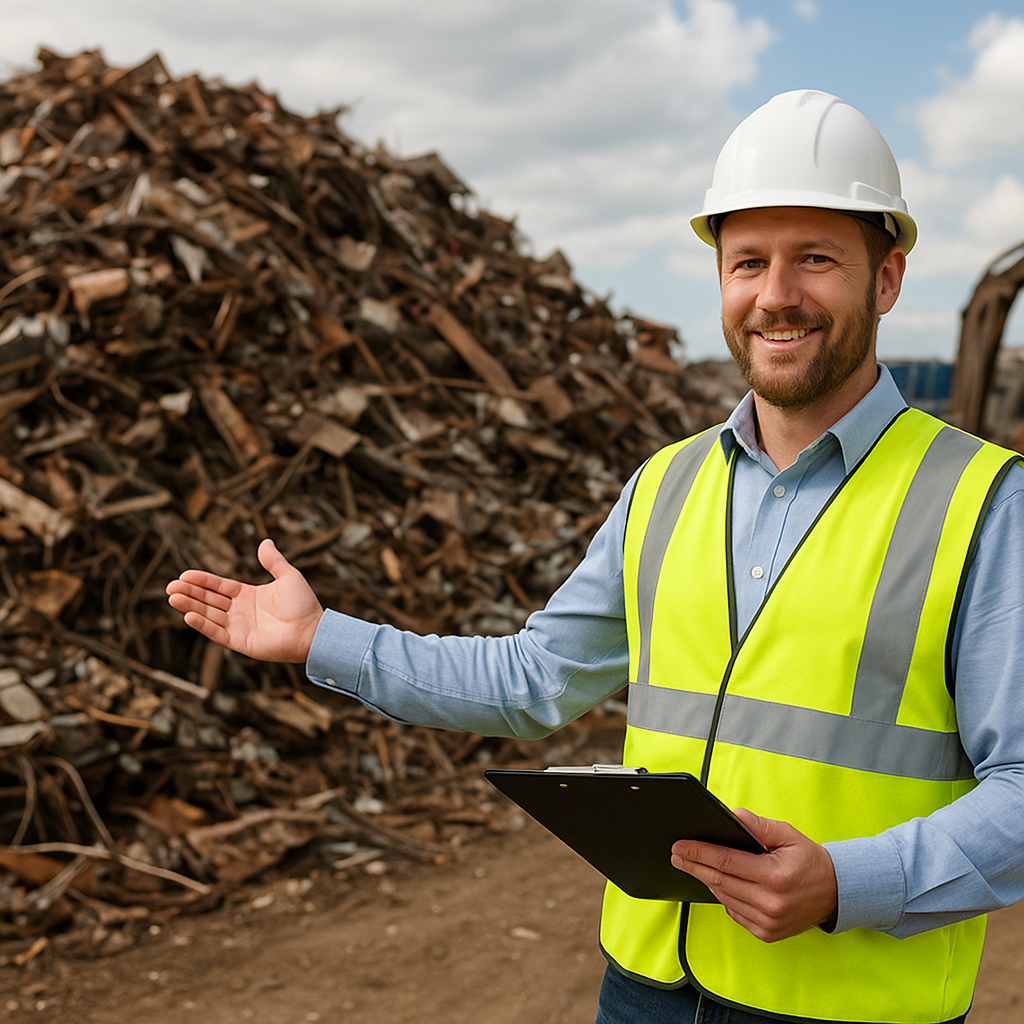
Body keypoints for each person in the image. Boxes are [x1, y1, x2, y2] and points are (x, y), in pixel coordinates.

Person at [166, 90, 1024, 1023]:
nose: (776, 293)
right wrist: (321, 639)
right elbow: (535, 680)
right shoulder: (666, 487)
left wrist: (846, 883)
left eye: (816, 258)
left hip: (848, 1005)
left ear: (887, 279)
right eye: (749, 263)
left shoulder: (983, 505)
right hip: (646, 988)